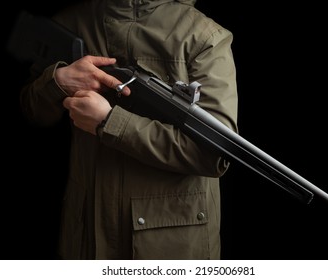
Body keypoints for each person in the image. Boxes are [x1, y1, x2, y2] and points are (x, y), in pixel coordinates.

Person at [20, 0, 238, 260]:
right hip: (86, 235)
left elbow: (212, 154)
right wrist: (58, 81)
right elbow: (32, 113)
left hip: (169, 246)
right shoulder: (71, 21)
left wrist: (109, 121)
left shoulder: (203, 37)